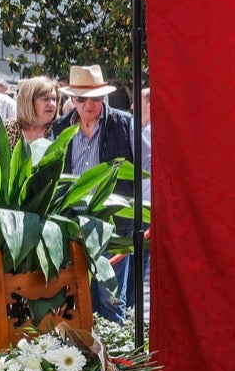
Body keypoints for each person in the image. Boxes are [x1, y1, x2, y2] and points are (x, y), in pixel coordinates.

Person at [50, 65, 146, 321]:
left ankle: (116, 358)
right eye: (82, 99)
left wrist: (143, 212)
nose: (88, 105)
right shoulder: (60, 129)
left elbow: (147, 169)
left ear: (103, 97)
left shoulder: (124, 124)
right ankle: (88, 357)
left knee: (111, 298)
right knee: (81, 297)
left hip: (113, 224)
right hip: (74, 225)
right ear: (73, 99)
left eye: (94, 98)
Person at [11, 76, 60, 155]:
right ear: (29, 101)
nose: (52, 104)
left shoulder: (59, 130)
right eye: (45, 99)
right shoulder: (9, 128)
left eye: (54, 99)